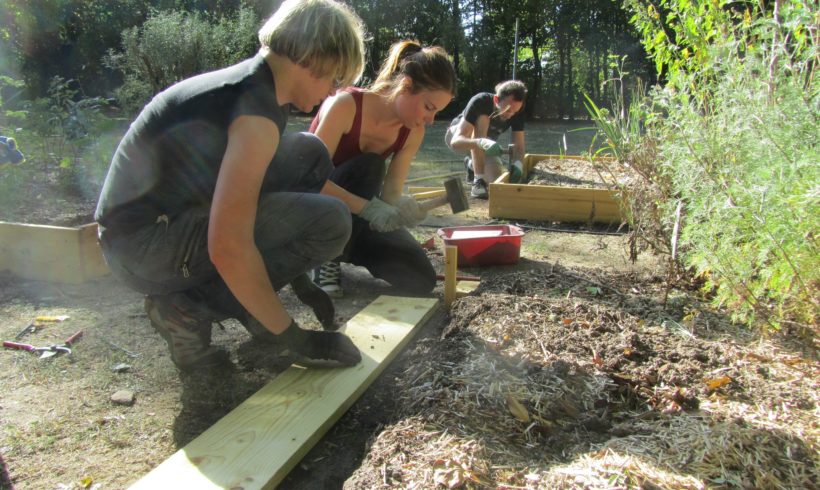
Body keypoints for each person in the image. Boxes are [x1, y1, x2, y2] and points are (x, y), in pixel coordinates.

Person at [94, 0, 367, 371]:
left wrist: (301, 284)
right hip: (141, 248)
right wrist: (293, 338)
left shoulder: (258, 87)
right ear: (314, 56)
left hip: (159, 225)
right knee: (331, 220)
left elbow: (255, 204)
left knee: (309, 154)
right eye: (335, 79)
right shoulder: (255, 113)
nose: (333, 92)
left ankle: (251, 303)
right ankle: (185, 311)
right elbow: (228, 245)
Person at [309, 40, 456, 298]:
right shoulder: (345, 105)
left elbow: (390, 195)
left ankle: (347, 247)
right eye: (429, 108)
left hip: (356, 218)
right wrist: (369, 208)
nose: (431, 120)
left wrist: (403, 207)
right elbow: (308, 181)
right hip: (313, 214)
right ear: (406, 86)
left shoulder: (412, 132)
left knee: (420, 278)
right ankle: (323, 256)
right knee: (369, 166)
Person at [445, 80, 527, 198]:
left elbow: (519, 146)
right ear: (496, 100)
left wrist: (518, 164)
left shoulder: (517, 110)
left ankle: (471, 164)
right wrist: (481, 142)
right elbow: (455, 142)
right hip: (458, 137)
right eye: (507, 110)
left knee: (496, 183)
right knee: (483, 119)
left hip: (484, 146)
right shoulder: (481, 102)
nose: (510, 115)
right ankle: (478, 182)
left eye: (515, 111)